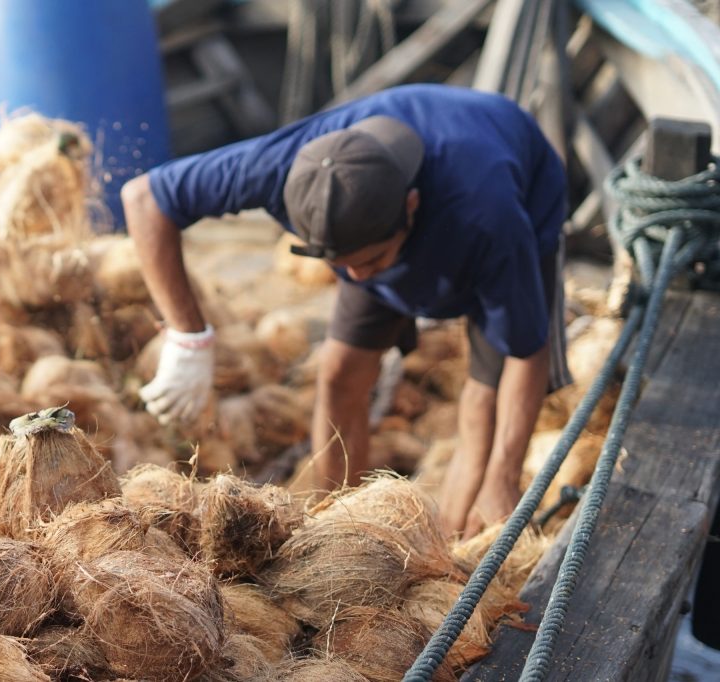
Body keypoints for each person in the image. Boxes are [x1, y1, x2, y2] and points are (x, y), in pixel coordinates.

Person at [120, 83, 572, 539]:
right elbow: (144, 199)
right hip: (376, 224)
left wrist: (504, 477)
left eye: (369, 263)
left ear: (411, 210)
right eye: (338, 267)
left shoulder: (487, 213)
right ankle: (338, 533)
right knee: (338, 375)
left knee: (482, 402)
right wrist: (189, 337)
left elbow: (526, 353)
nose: (354, 278)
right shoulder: (285, 168)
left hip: (514, 186)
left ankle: (456, 541)